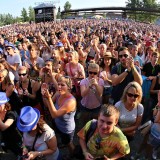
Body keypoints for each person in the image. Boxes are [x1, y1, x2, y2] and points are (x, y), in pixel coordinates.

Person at [41, 76, 76, 157]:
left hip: (66, 129)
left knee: (69, 144)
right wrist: (44, 95)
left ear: (69, 87)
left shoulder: (71, 101)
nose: (59, 87)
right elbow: (47, 104)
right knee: (62, 139)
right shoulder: (58, 94)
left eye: (62, 85)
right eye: (58, 84)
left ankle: (72, 155)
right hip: (58, 124)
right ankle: (63, 143)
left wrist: (48, 98)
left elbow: (54, 114)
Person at [79, 62, 104, 127]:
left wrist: (96, 84)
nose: (92, 75)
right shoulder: (83, 81)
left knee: (95, 125)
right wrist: (89, 86)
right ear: (88, 71)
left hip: (96, 107)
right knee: (85, 125)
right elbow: (83, 94)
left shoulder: (100, 81)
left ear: (98, 73)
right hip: (85, 107)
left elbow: (100, 94)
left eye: (95, 73)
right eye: (90, 72)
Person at [0, 92, 22, 156]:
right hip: (6, 138)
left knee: (19, 153)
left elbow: (3, 127)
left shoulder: (11, 113)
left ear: (4, 104)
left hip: (16, 140)